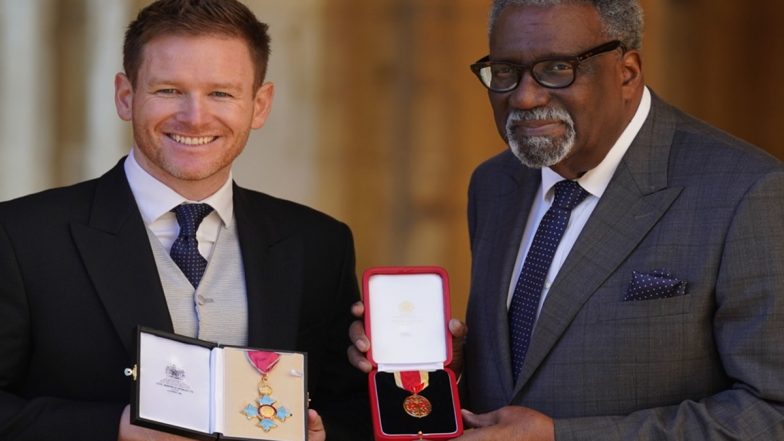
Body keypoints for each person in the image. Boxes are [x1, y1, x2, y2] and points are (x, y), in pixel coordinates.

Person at [350, 0, 784, 439]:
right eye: (504, 71)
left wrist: (562, 436)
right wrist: (450, 365)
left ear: (627, 72)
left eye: (557, 68)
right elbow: (530, 367)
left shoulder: (746, 192)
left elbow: (771, 412)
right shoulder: (495, 184)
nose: (523, 96)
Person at [0, 1, 369, 440]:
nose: (194, 117)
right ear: (125, 95)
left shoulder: (318, 244)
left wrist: (323, 433)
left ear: (259, 104)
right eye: (169, 90)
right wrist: (113, 430)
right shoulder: (21, 237)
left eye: (221, 93)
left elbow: (350, 408)